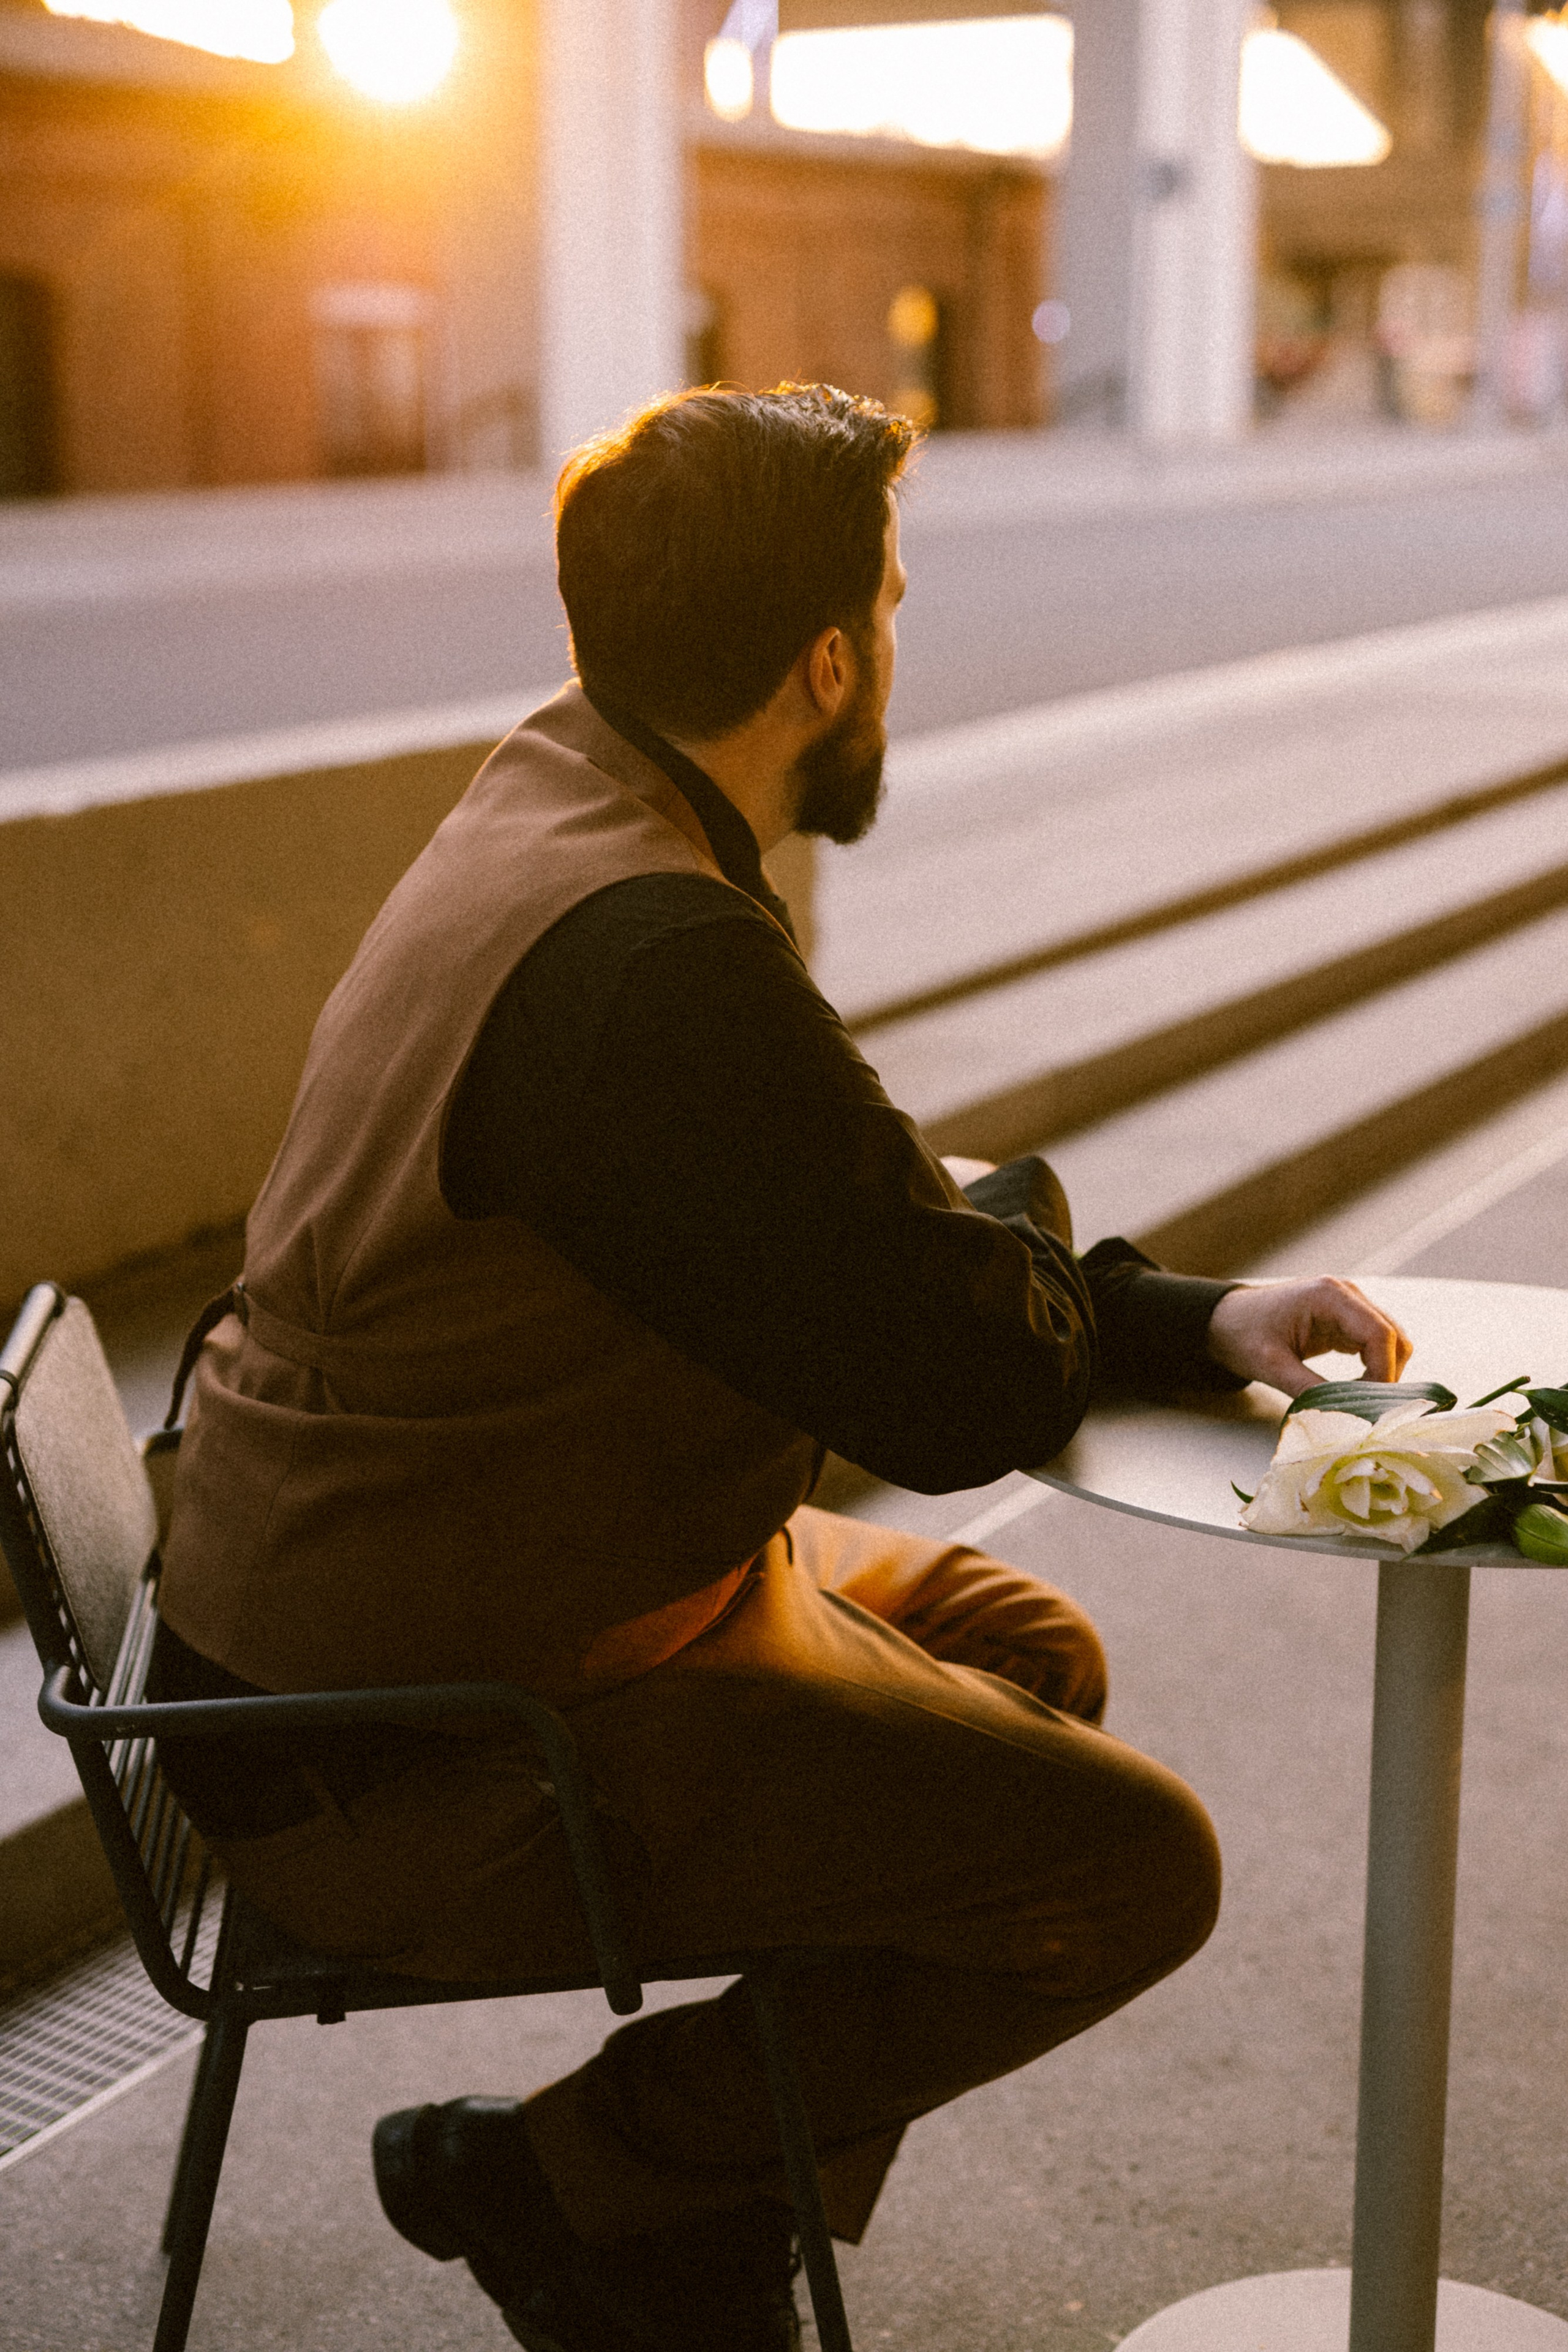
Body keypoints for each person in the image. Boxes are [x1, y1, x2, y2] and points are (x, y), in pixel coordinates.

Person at [151, 385, 1410, 2352]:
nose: (899, 645)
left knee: (1030, 1653)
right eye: (895, 605)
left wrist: (1178, 1316)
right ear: (832, 658)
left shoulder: (563, 803)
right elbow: (950, 1385)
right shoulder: (657, 966)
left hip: (405, 1593)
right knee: (1133, 1866)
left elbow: (874, 1233)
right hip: (415, 1737)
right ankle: (571, 2185)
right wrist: (1036, 1274)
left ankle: (682, 2230)